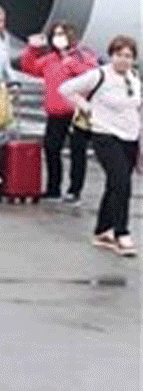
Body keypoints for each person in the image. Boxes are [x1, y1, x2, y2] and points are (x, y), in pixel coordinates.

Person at [59, 36, 140, 256]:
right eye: (119, 55)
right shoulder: (100, 75)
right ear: (111, 55)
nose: (123, 60)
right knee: (122, 182)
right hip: (105, 134)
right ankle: (121, 232)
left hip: (130, 136)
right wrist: (86, 107)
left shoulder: (134, 78)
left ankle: (102, 229)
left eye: (128, 56)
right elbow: (66, 89)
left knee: (115, 183)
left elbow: (136, 109)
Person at [20, 22, 100, 202]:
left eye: (62, 34)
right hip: (56, 112)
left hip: (77, 112)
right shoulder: (50, 59)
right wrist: (32, 50)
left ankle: (74, 190)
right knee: (51, 148)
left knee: (77, 152)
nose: (58, 37)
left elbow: (94, 74)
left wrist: (73, 66)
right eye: (55, 34)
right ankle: (53, 188)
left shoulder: (83, 55)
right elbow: (29, 67)